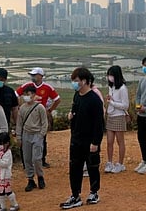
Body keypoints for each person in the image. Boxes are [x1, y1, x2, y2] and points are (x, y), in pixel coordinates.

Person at [59, 67, 104, 209]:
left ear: (84, 81)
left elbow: (99, 124)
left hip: (90, 141)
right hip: (76, 139)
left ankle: (94, 192)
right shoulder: (76, 96)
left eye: (76, 81)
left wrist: (95, 142)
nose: (74, 83)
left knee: (92, 167)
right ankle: (75, 195)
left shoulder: (95, 100)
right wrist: (71, 117)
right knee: (75, 168)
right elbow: (75, 112)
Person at [16, 67, 60, 168]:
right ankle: (26, 162)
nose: (33, 77)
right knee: (26, 137)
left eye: (34, 75)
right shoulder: (27, 86)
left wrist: (49, 110)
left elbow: (57, 99)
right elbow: (16, 94)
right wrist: (20, 107)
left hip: (41, 114)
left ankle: (42, 160)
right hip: (28, 113)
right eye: (32, 75)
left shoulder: (48, 87)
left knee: (42, 137)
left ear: (40, 76)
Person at [15, 85, 48, 192]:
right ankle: (30, 179)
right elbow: (19, 124)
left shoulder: (40, 107)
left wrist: (41, 135)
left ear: (34, 95)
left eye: (28, 94)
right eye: (24, 94)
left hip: (37, 134)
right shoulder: (22, 108)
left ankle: (40, 177)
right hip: (26, 135)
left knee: (37, 158)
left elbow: (44, 123)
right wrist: (19, 136)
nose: (26, 97)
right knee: (27, 158)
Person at [104, 65, 129, 174]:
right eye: (109, 75)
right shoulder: (111, 87)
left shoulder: (122, 88)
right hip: (110, 115)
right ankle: (109, 162)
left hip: (119, 116)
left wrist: (112, 103)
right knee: (109, 141)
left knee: (120, 141)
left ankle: (120, 163)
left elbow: (125, 105)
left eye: (111, 75)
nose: (110, 77)